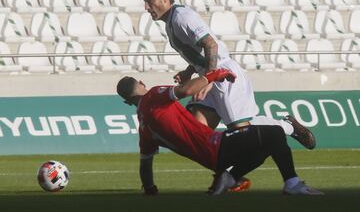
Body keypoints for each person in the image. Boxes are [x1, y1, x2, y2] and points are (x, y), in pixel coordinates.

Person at [142, 0, 315, 151]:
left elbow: (211, 45)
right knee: (196, 132)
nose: (146, 7)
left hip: (223, 76)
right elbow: (201, 52)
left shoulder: (181, 17)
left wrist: (208, 79)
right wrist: (189, 71)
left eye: (150, 1)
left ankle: (286, 126)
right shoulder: (172, 22)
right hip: (210, 77)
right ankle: (225, 171)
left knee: (242, 132)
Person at [116, 68, 323, 196]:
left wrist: (150, 189)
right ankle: (292, 184)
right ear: (142, 83)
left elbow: (145, 164)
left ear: (126, 102)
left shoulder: (143, 127)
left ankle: (229, 178)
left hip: (212, 161)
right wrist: (214, 75)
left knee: (265, 147)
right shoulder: (153, 95)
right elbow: (186, 90)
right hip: (217, 144)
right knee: (274, 135)